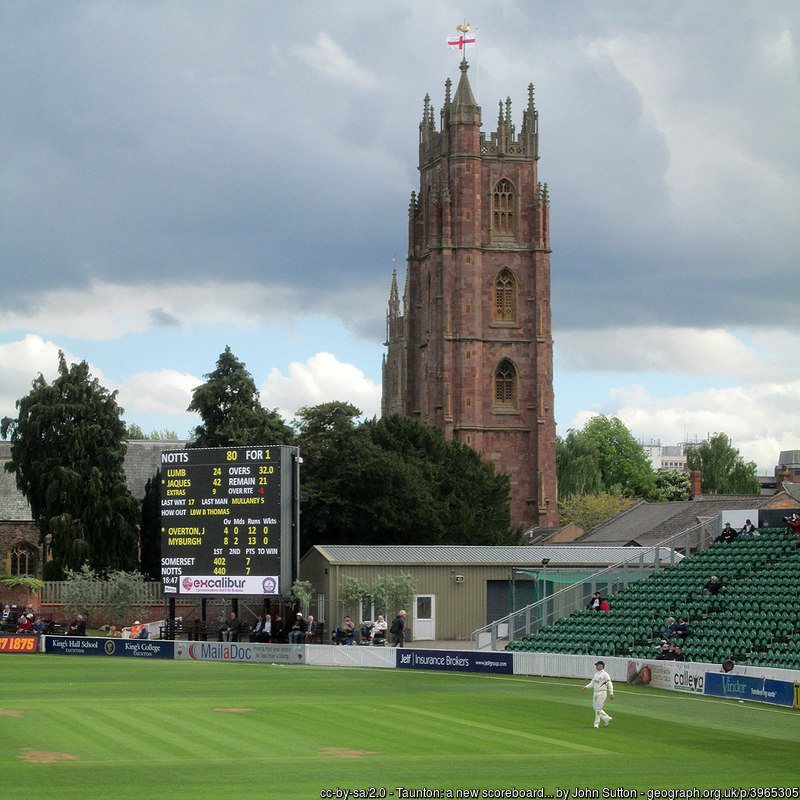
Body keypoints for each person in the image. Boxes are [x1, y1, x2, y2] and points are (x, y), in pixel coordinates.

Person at [582, 660, 614, 728]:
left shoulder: (605, 674)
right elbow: (592, 683)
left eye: (597, 665)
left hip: (602, 692)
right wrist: (586, 687)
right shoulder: (596, 674)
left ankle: (596, 724)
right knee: (595, 708)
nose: (596, 667)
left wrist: (611, 693)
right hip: (595, 692)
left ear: (601, 666)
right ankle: (607, 718)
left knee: (598, 708)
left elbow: (609, 684)